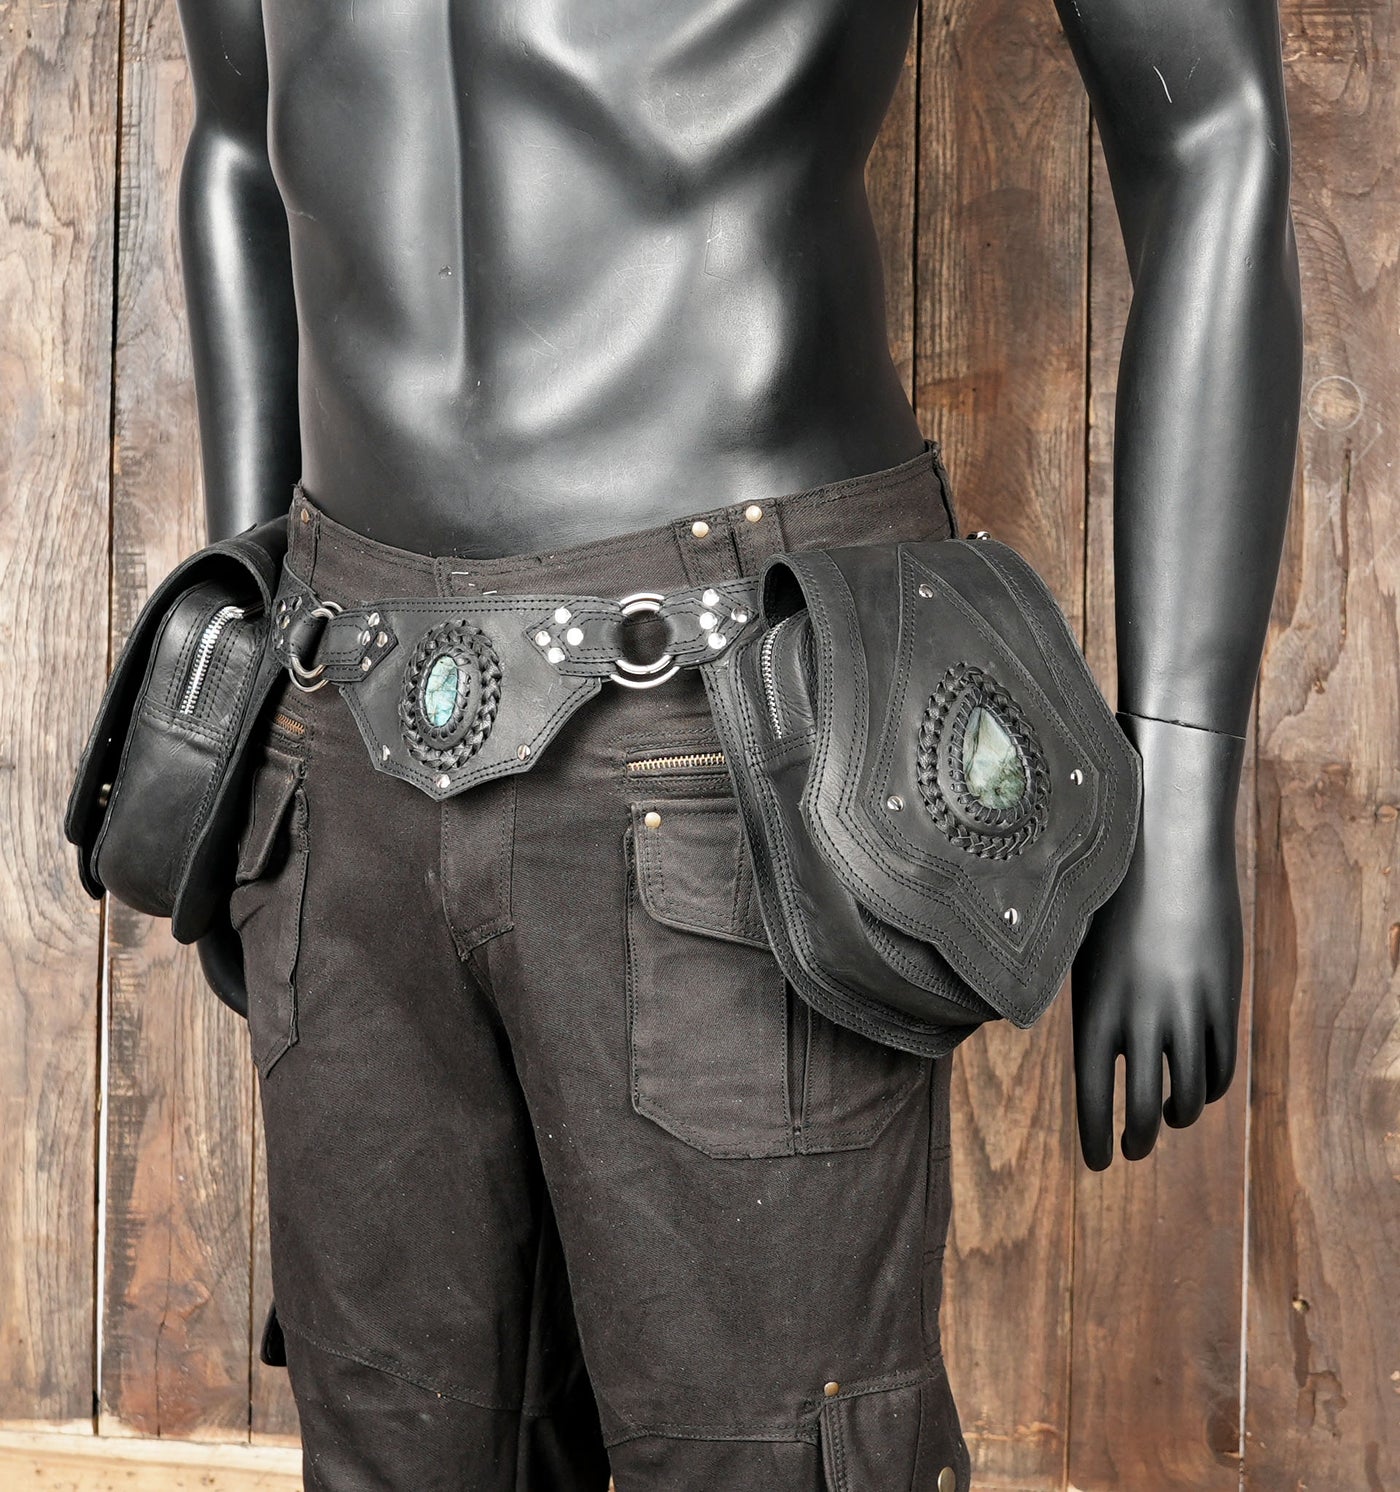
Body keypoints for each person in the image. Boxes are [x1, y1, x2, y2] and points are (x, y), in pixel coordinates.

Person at [172, 0, 1303, 1486]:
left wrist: (1181, 785)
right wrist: (238, 705)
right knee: (392, 1440)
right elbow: (241, 146)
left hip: (731, 727)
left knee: (771, 1452)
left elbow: (1209, 130)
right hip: (342, 705)